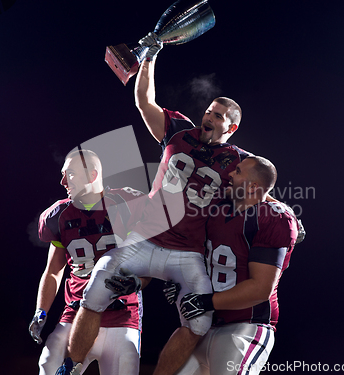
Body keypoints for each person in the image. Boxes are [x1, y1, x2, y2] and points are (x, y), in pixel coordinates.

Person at [56, 34, 251, 375]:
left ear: (231, 127)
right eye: (209, 110)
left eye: (218, 116)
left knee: (200, 323)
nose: (208, 116)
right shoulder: (179, 133)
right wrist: (150, 57)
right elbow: (144, 101)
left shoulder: (237, 160)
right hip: (146, 239)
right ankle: (70, 366)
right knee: (95, 290)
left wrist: (284, 209)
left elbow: (262, 179)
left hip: (187, 252)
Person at [169, 155, 302, 374]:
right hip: (204, 326)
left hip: (245, 327)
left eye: (238, 171)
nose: (230, 174)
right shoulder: (216, 210)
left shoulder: (272, 218)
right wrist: (180, 283)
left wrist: (206, 302)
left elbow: (260, 289)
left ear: (252, 187)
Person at [29, 149, 148, 375]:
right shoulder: (60, 214)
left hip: (121, 315)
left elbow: (149, 258)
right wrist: (41, 311)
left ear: (92, 175)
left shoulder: (126, 204)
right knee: (48, 366)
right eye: (63, 174)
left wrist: (139, 281)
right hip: (75, 314)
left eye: (70, 174)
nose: (63, 181)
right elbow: (54, 270)